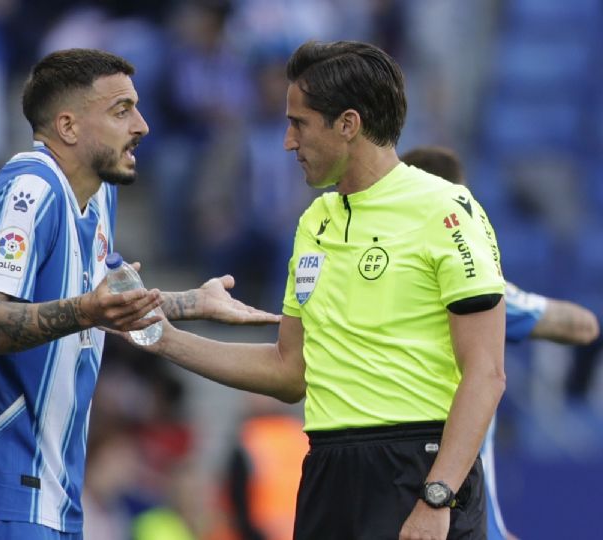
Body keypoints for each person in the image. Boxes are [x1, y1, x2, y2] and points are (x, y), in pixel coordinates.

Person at [130, 40, 507, 539]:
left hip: (417, 467)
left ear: (348, 124)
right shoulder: (315, 222)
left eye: (299, 123)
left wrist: (438, 497)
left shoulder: (447, 209)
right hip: (328, 472)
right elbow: (290, 371)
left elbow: (486, 372)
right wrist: (161, 337)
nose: (288, 141)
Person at [0, 48, 280, 539]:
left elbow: (101, 304)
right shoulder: (31, 187)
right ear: (68, 127)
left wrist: (188, 303)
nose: (142, 125)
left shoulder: (97, 192)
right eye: (121, 110)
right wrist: (85, 310)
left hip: (54, 485)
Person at [401, 145, 600, 540]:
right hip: (464, 519)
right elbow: (582, 326)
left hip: (376, 500)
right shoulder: (476, 290)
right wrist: (503, 303)